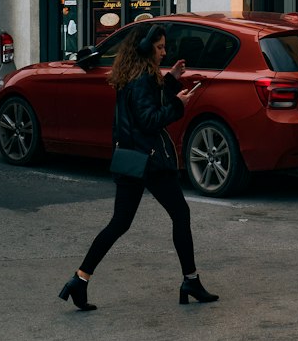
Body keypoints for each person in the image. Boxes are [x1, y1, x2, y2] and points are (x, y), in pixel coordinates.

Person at [58, 24, 218, 312]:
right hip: (150, 161)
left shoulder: (131, 76)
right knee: (180, 213)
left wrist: (171, 80)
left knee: (120, 222)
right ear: (145, 50)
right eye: (159, 48)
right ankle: (190, 280)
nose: (164, 52)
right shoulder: (142, 79)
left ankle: (79, 280)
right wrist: (178, 105)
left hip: (132, 159)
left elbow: (143, 107)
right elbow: (149, 119)